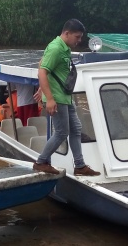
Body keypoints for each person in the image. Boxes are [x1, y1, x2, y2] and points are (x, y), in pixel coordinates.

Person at [32, 19, 100, 177]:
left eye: (80, 37)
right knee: (62, 132)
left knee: (75, 129)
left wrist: (42, 88)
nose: (79, 40)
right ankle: (41, 162)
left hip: (65, 97)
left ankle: (80, 166)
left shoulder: (64, 47)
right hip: (57, 98)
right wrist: (48, 98)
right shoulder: (56, 48)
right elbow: (42, 71)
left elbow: (42, 63)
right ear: (66, 33)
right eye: (77, 37)